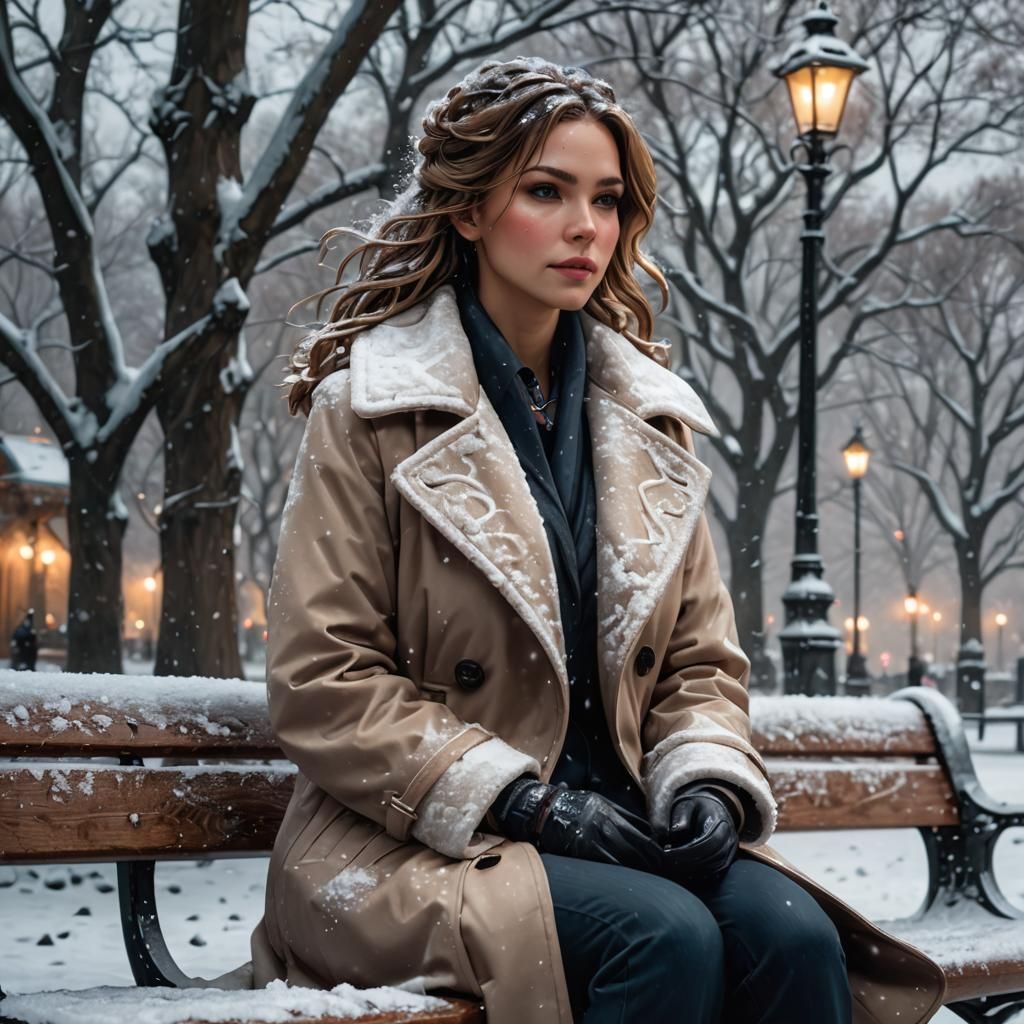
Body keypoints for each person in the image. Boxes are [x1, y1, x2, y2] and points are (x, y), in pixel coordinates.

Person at [250, 57, 945, 1024]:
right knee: (661, 934)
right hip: (406, 846)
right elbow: (324, 676)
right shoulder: (367, 411)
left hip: (623, 827)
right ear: (468, 209)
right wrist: (518, 799)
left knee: (791, 933)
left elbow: (700, 663)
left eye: (608, 200)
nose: (588, 226)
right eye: (546, 190)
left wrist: (701, 779)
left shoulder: (648, 422)